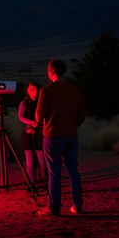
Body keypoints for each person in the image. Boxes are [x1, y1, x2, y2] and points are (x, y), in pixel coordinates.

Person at [35, 59, 86, 216]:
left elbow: (38, 116)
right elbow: (82, 116)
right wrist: (70, 125)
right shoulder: (75, 91)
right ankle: (77, 205)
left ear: (51, 71)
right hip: (71, 136)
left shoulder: (47, 91)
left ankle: (54, 207)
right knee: (73, 171)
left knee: (54, 173)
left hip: (52, 136)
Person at [17, 81, 46, 190]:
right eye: (31, 90)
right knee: (30, 161)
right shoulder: (24, 103)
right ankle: (31, 183)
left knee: (42, 159)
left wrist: (35, 125)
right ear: (27, 91)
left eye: (36, 89)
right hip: (28, 134)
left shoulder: (42, 102)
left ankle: (45, 181)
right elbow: (21, 116)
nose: (34, 92)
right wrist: (31, 123)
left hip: (40, 133)